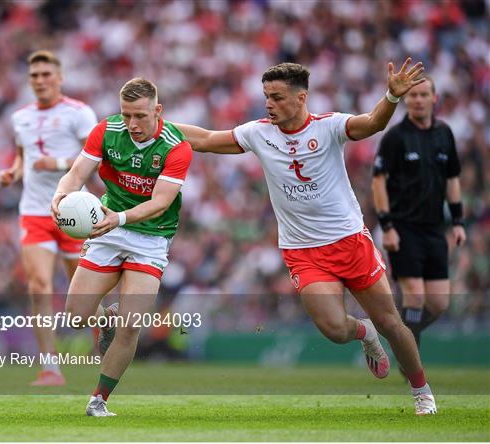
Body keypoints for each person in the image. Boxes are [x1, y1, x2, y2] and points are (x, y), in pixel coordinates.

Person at [175, 59, 438, 415]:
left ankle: (421, 391)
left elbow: (373, 123)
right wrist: (157, 125)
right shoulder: (258, 132)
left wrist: (391, 94)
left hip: (349, 242)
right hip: (303, 251)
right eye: (266, 96)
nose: (269, 104)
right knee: (333, 328)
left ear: (301, 98)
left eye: (277, 97)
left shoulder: (329, 127)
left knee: (391, 322)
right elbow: (205, 139)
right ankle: (364, 335)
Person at [51, 77, 192, 416]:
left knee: (132, 323)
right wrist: (60, 194)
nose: (132, 124)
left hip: (151, 236)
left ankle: (98, 399)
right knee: (75, 316)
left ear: (157, 111)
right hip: (107, 227)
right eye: (127, 115)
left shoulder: (176, 147)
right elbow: (76, 173)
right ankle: (105, 318)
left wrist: (121, 218)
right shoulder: (106, 131)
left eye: (140, 116)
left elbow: (160, 202)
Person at [0, 50, 97, 386]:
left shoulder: (79, 113)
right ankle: (50, 369)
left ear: (60, 77)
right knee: (39, 287)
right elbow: (23, 155)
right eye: (34, 76)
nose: (39, 81)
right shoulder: (20, 118)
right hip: (34, 212)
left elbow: (94, 158)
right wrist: (13, 171)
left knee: (82, 294)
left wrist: (55, 164)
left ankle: (106, 351)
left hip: (72, 212)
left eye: (45, 74)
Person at [372, 76, 466, 353]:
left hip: (435, 228)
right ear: (405, 100)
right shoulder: (395, 137)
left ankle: (399, 335)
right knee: (414, 294)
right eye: (413, 95)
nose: (418, 100)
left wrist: (458, 221)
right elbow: (378, 181)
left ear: (434, 98)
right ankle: (410, 359)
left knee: (438, 304)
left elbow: (453, 179)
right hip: (403, 227)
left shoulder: (444, 134)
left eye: (424, 95)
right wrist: (387, 226)